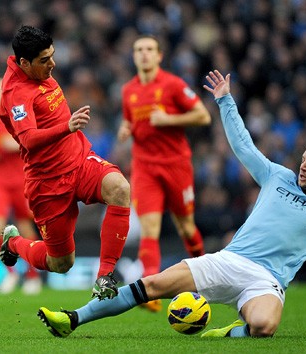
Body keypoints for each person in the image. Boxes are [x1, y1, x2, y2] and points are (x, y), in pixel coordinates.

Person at [37, 70, 306, 338]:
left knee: (264, 328)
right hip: (229, 260)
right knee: (154, 284)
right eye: (303, 159)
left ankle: (227, 332)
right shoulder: (278, 176)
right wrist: (225, 101)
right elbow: (244, 146)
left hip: (266, 281)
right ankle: (73, 319)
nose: (302, 167)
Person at [0, 25, 131, 300]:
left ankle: (104, 277)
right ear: (25, 63)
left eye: (52, 56)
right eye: (45, 60)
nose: (53, 64)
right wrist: (67, 127)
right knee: (61, 263)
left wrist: (69, 132)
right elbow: (28, 139)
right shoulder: (16, 93)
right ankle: (13, 242)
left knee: (119, 188)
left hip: (79, 160)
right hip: (47, 182)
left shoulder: (38, 71)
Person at [116, 35, 211, 311]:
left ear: (159, 56)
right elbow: (129, 119)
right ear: (134, 56)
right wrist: (126, 128)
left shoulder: (173, 85)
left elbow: (203, 116)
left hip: (175, 164)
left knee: (187, 227)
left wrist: (169, 119)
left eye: (149, 49)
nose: (143, 54)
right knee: (149, 229)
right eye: (138, 49)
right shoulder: (128, 91)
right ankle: (151, 291)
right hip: (144, 167)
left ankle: (204, 279)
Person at [0, 78, 42, 295]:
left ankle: (32, 275)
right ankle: (10, 273)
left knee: (25, 226)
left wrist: (14, 144)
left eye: (1, 88)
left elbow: (30, 139)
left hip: (21, 178)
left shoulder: (17, 114)